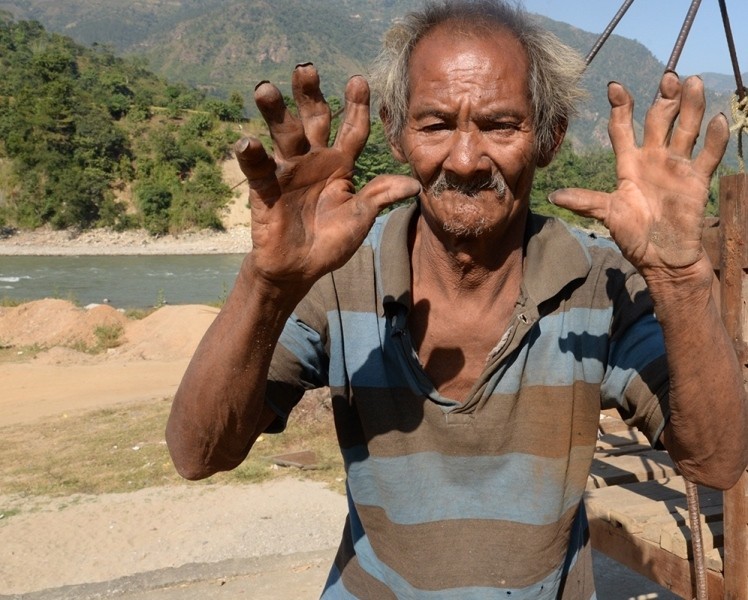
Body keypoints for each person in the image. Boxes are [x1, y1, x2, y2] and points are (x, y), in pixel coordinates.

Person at [166, 1, 748, 597]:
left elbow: (716, 461)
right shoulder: (342, 276)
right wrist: (268, 283)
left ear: (549, 138)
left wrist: (682, 278)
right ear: (395, 133)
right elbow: (199, 452)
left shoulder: (600, 282)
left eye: (499, 125)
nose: (466, 161)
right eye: (436, 124)